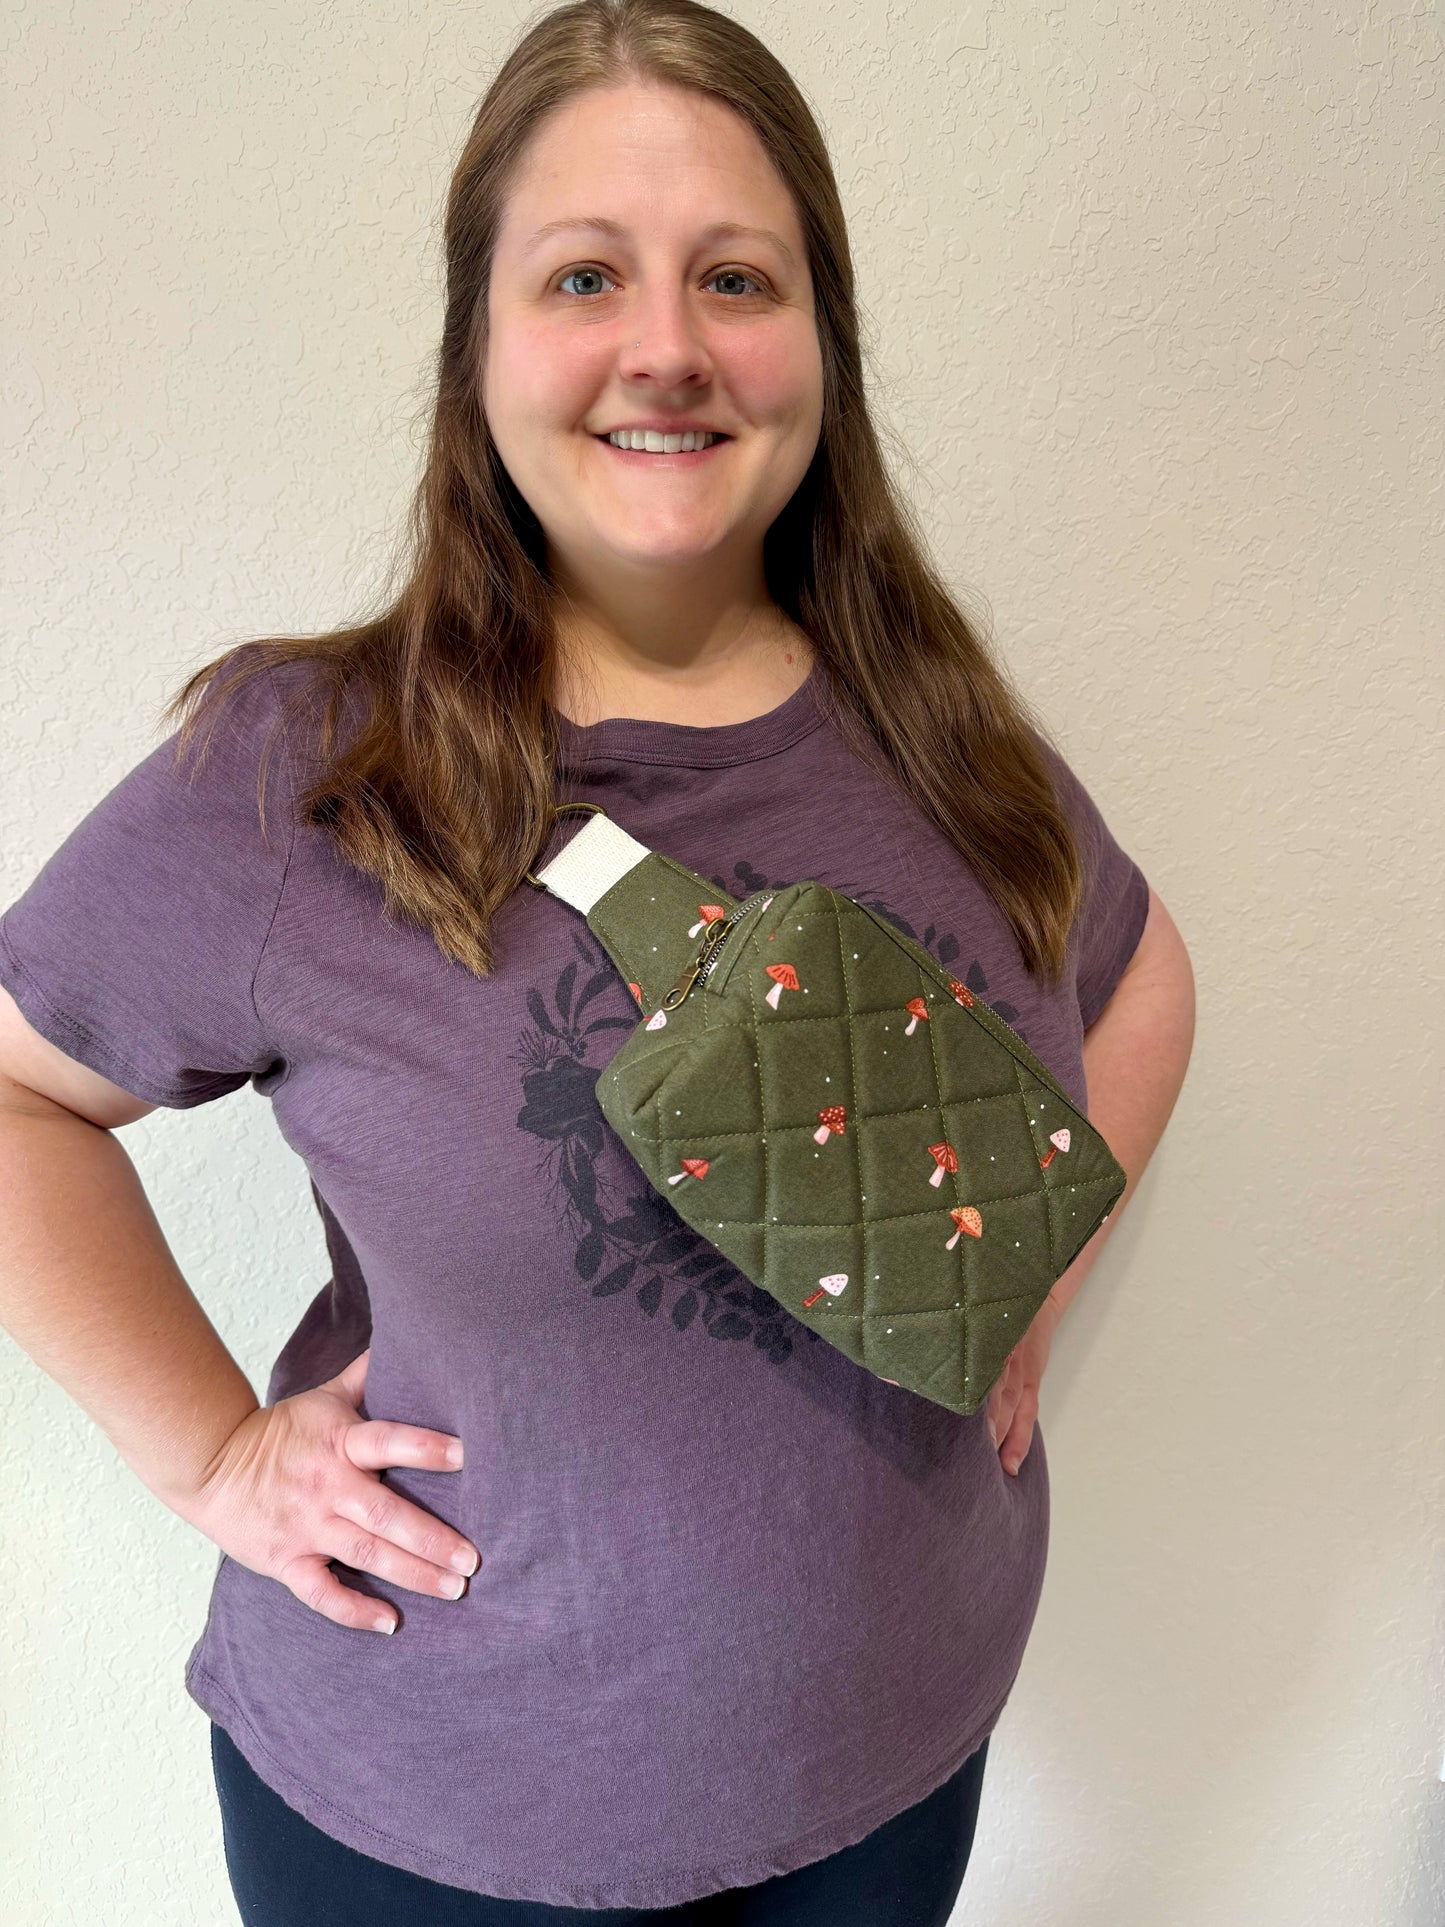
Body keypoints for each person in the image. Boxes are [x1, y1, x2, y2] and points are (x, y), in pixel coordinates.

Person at [0, 2, 1196, 1922]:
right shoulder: (308, 773)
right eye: (584, 276)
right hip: (438, 1824)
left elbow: (1140, 976)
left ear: (821, 344)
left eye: (737, 275)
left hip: (894, 1769)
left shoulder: (938, 728)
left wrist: (1024, 1286)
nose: (668, 344)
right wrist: (220, 1456)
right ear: (480, 343)